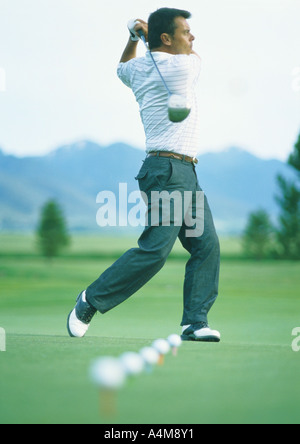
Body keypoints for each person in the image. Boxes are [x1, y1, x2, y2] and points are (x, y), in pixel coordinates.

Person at [67, 8, 221, 342]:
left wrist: (133, 37)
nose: (191, 38)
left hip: (184, 173)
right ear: (167, 38)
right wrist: (146, 34)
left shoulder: (138, 68)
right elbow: (195, 56)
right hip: (168, 173)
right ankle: (90, 300)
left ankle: (194, 322)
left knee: (206, 245)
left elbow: (122, 67)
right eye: (185, 32)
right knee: (155, 251)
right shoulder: (183, 66)